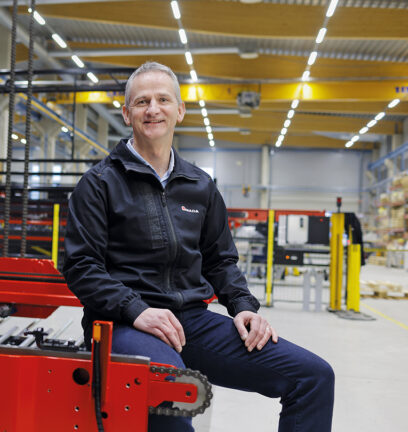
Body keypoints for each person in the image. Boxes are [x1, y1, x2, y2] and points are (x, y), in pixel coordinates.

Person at [63, 61, 334, 432]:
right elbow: (81, 266)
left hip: (190, 321)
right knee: (172, 389)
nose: (153, 109)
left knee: (314, 377)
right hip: (123, 323)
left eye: (163, 100)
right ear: (127, 114)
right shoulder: (98, 185)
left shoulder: (200, 185)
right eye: (142, 102)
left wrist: (243, 307)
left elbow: (220, 259)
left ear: (180, 110)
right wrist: (136, 309)